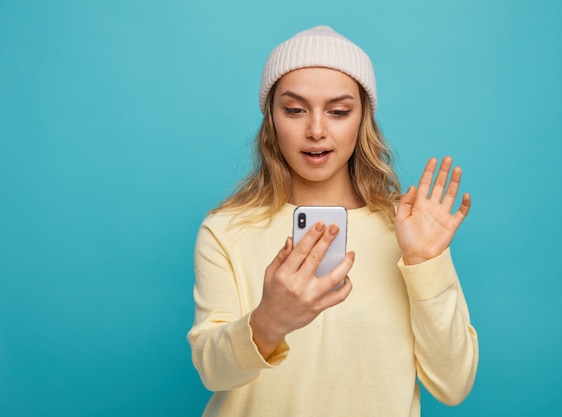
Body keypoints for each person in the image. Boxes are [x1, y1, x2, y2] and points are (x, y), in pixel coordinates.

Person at [187, 25, 479, 417]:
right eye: (294, 109)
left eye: (339, 111)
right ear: (271, 119)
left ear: (362, 121)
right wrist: (268, 322)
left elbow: (453, 385)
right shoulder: (226, 231)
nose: (316, 131)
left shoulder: (408, 228)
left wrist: (424, 263)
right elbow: (212, 372)